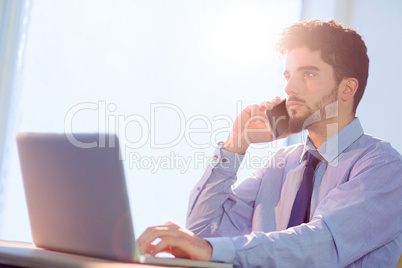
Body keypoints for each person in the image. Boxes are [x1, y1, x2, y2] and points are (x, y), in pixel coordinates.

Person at [137, 20, 402, 267]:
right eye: (288, 75)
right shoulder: (281, 164)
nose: (290, 88)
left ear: (347, 89)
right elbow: (203, 234)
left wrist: (210, 249)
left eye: (308, 74)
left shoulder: (382, 167)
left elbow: (321, 246)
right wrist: (235, 145)